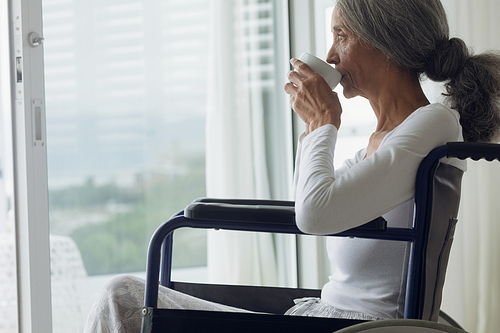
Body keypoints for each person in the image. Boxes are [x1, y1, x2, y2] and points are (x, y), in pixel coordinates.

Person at [84, 0, 500, 332]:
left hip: (357, 326)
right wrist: (313, 128)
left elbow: (314, 213)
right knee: (128, 299)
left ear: (385, 41)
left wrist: (323, 123)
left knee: (122, 296)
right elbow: (312, 202)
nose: (331, 55)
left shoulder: (433, 123)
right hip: (321, 316)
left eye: (341, 35)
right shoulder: (380, 146)